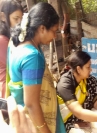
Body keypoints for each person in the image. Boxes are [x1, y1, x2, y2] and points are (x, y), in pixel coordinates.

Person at [7, 2, 65, 133]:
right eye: (54, 31)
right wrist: (44, 130)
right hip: (33, 123)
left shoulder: (15, 44)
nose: (55, 37)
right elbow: (31, 103)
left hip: (21, 118)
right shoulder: (32, 57)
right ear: (42, 28)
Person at [0, 0, 23, 98]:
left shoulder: (9, 37)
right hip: (8, 90)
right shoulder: (3, 40)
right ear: (3, 17)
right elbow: (16, 65)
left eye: (21, 19)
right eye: (16, 19)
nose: (19, 23)